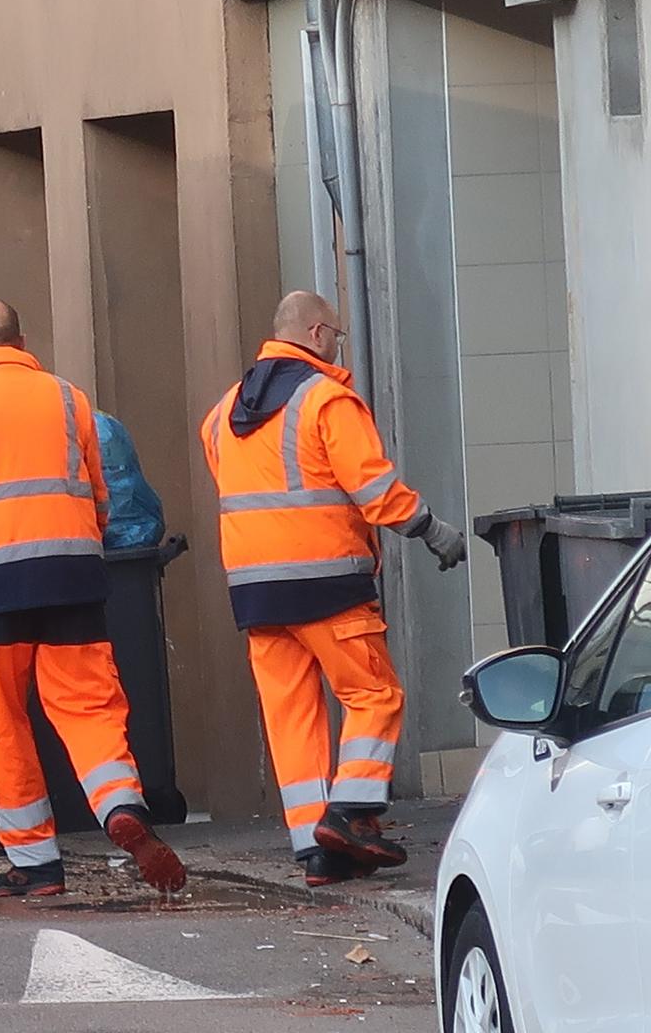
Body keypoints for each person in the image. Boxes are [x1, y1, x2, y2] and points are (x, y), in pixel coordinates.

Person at [200, 291, 467, 886]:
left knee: (292, 717)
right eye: (338, 337)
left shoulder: (221, 415)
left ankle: (316, 852)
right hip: (326, 582)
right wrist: (431, 528)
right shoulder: (326, 399)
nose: (338, 347)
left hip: (254, 592)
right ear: (318, 334)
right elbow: (373, 490)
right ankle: (352, 812)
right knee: (374, 695)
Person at [0, 298, 186, 897]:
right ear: (23, 341)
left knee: (5, 720)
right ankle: (122, 805)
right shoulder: (70, 398)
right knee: (90, 707)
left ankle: (37, 865)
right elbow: (100, 495)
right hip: (73, 576)